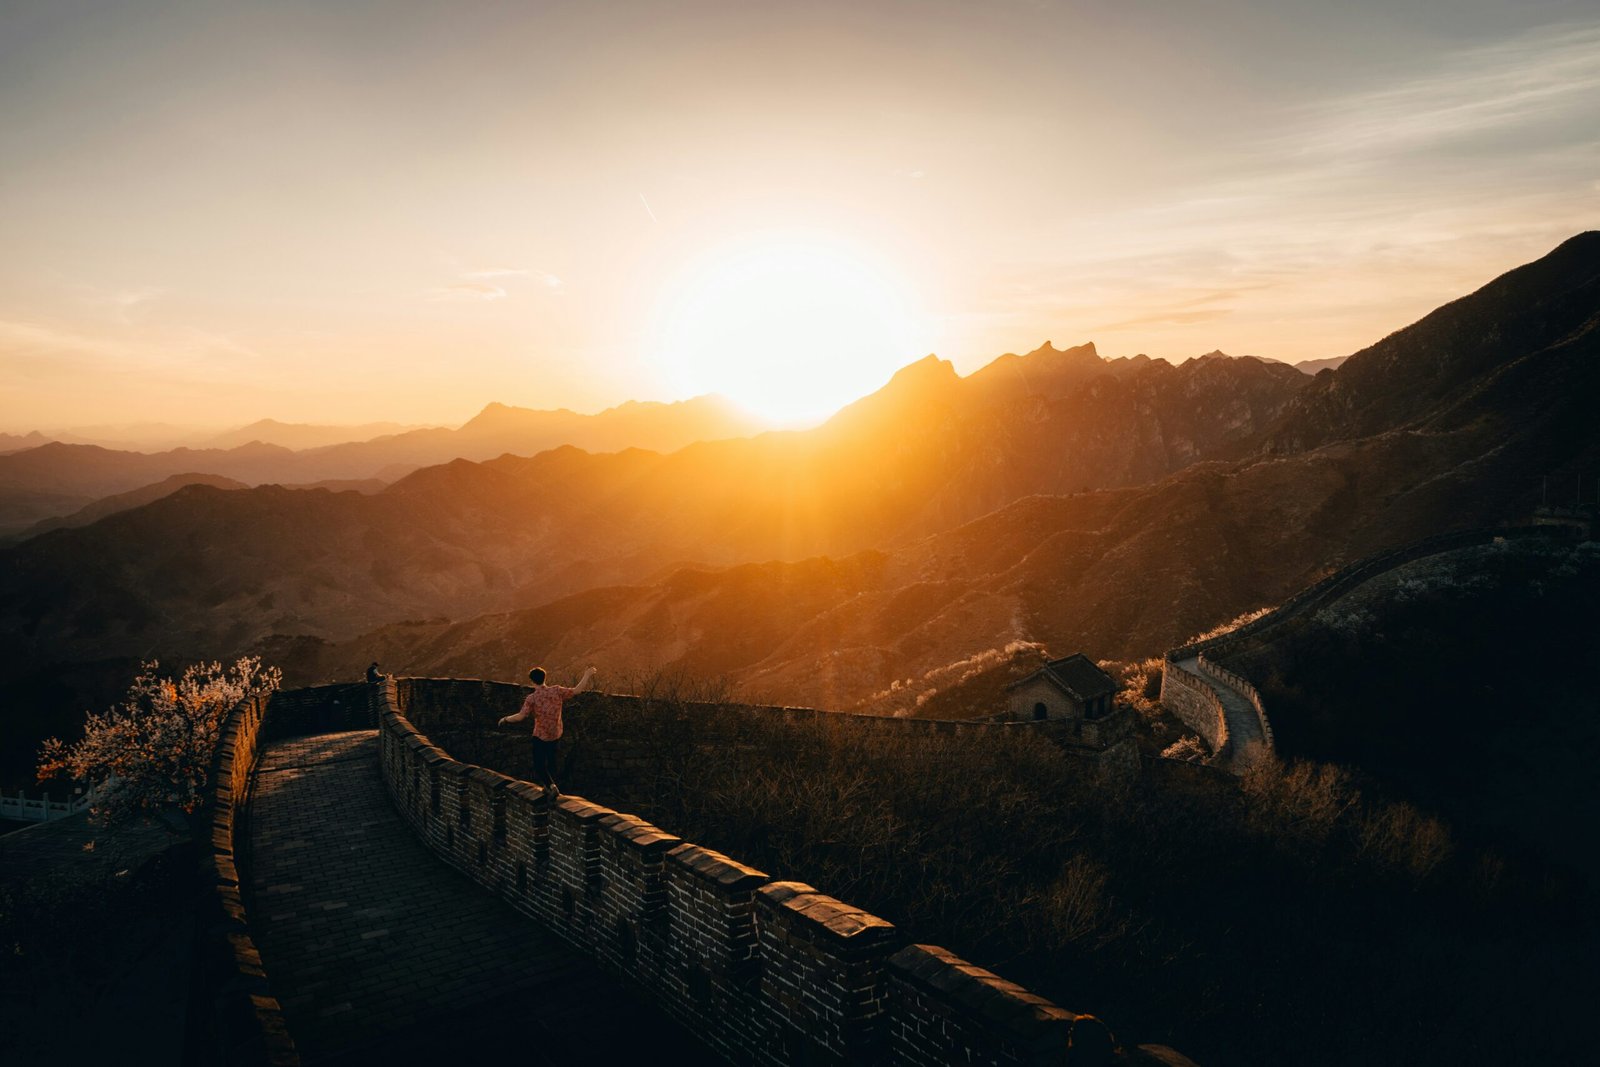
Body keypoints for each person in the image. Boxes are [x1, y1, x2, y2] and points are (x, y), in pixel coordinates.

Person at [497, 665, 597, 795]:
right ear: (545, 678)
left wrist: (505, 719)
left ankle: (551, 785)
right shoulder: (556, 690)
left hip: (540, 735)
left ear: (532, 681)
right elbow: (577, 690)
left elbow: (520, 717)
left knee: (539, 764)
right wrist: (587, 675)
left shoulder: (532, 698)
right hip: (555, 733)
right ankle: (549, 785)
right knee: (551, 761)